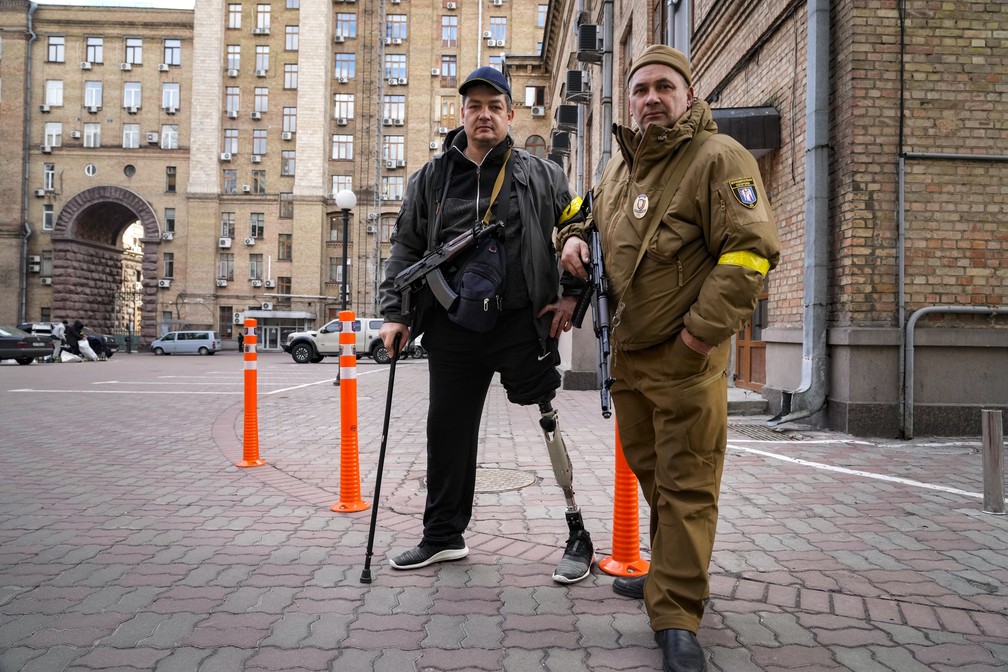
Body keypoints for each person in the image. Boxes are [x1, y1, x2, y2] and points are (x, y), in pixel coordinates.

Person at [558, 45, 780, 672]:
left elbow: (750, 254)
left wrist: (697, 340)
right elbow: (583, 213)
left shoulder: (719, 158)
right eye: (640, 89)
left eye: (664, 87)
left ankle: (677, 615)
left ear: (687, 95)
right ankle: (668, 577)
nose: (651, 98)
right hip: (630, 362)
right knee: (656, 478)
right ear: (629, 101)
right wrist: (572, 237)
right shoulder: (622, 167)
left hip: (687, 359)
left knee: (686, 486)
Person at [378, 66, 595, 584]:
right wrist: (394, 315)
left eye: (495, 106)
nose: (484, 115)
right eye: (475, 106)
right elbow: (406, 247)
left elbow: (579, 226)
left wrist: (570, 295)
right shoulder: (431, 179)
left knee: (548, 420)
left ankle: (577, 532)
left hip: (523, 322)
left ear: (510, 115)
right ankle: (442, 536)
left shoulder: (544, 174)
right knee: (447, 431)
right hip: (452, 326)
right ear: (462, 113)